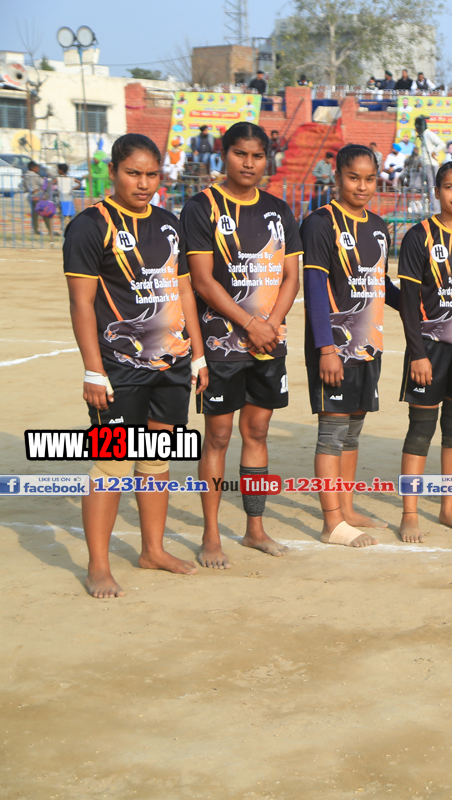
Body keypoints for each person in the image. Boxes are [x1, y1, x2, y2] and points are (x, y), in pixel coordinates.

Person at [63, 133, 209, 598]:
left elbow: (183, 291)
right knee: (110, 465)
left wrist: (197, 354)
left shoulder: (169, 223)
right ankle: (98, 566)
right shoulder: (90, 226)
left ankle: (152, 550)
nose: (144, 183)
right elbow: (81, 304)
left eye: (151, 174)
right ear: (113, 172)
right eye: (133, 173)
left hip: (170, 363)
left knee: (156, 457)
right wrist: (93, 369)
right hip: (118, 368)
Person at [182, 122, 303, 569]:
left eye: (257, 155)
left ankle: (255, 529)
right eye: (240, 154)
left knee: (258, 433)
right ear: (224, 155)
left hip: (268, 343)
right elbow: (202, 280)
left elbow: (290, 277)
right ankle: (211, 535)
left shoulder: (278, 209)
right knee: (217, 436)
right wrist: (250, 323)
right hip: (221, 346)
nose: (249, 163)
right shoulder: (202, 207)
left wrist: (269, 326)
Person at [300, 144, 391, 548]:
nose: (362, 186)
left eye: (370, 179)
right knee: (332, 433)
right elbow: (315, 287)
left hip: (369, 346)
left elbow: (382, 284)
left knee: (353, 431)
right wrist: (326, 349)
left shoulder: (379, 225)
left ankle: (347, 508)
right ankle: (332, 522)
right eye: (353, 178)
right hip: (334, 348)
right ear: (337, 178)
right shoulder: (320, 223)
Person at [395, 162, 452, 542]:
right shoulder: (418, 236)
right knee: (421, 429)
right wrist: (417, 354)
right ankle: (410, 513)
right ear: (436, 192)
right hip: (428, 348)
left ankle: (448, 508)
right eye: (449, 187)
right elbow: (408, 301)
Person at [21, 161, 53, 236]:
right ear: (33, 168)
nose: (38, 169)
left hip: (32, 196)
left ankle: (35, 229)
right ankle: (50, 230)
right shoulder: (35, 176)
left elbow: (22, 186)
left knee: (34, 215)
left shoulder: (26, 175)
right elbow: (44, 183)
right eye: (37, 168)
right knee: (45, 213)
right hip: (39, 196)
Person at [55, 163, 75, 228]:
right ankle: (72, 226)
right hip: (69, 197)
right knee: (70, 213)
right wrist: (72, 189)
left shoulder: (58, 178)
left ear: (61, 170)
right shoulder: (70, 178)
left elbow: (51, 182)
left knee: (62, 213)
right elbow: (79, 183)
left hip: (62, 198)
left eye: (58, 169)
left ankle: (63, 226)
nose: (57, 170)